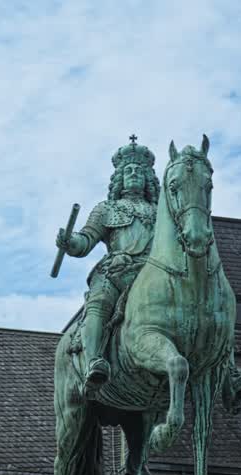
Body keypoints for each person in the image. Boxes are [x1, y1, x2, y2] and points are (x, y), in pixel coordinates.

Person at [56, 136, 159, 388]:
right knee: (98, 304)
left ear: (148, 178)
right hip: (117, 270)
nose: (134, 174)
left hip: (156, 272)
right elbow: (85, 241)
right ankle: (94, 361)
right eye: (128, 171)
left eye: (139, 171)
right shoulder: (106, 209)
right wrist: (70, 241)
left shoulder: (163, 213)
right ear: (120, 178)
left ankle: (223, 372)